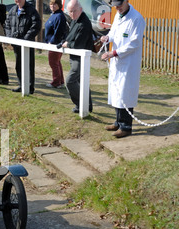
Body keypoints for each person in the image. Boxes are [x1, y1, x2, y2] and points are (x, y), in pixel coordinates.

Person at [101, 0, 145, 138]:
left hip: (129, 63)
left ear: (127, 1)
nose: (117, 7)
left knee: (125, 93)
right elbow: (114, 32)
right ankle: (118, 121)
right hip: (117, 62)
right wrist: (108, 38)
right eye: (115, 5)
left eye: (120, 4)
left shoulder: (137, 18)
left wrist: (113, 53)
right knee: (116, 91)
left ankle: (126, 126)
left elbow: (134, 43)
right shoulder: (117, 15)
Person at [62, 0, 94, 113]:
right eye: (69, 12)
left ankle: (80, 104)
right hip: (74, 55)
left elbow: (78, 44)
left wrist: (67, 44)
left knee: (70, 81)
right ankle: (87, 106)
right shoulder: (75, 20)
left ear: (80, 9)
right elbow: (71, 37)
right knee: (82, 82)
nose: (71, 14)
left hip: (81, 57)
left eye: (73, 11)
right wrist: (64, 42)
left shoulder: (84, 23)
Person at [4, 0, 41, 93]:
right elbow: (7, 25)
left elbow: (36, 25)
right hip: (16, 44)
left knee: (28, 66)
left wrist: (25, 39)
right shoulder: (12, 10)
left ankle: (29, 87)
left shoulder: (31, 10)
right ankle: (21, 85)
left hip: (27, 44)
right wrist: (10, 38)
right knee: (19, 65)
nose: (17, 1)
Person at [44, 0, 66, 89]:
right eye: (51, 4)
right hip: (53, 43)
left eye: (55, 4)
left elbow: (58, 32)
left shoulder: (59, 16)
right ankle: (60, 81)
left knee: (53, 62)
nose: (52, 6)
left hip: (55, 44)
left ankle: (56, 82)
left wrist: (52, 42)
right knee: (57, 62)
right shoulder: (54, 15)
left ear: (59, 5)